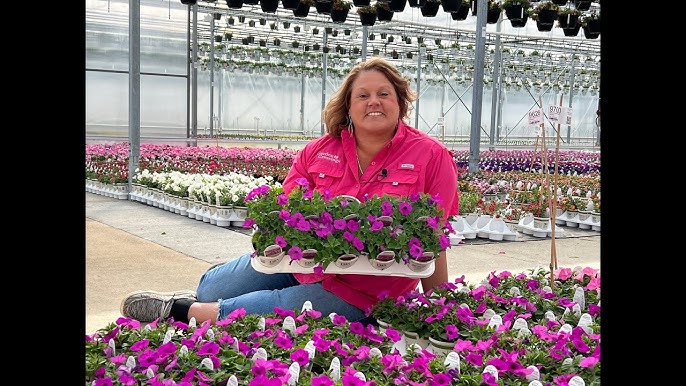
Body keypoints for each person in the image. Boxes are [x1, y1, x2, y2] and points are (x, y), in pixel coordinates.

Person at [121, 57, 459, 325]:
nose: (374, 102)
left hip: (364, 289)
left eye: (384, 94)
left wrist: (436, 309)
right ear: (349, 105)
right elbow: (286, 213)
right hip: (301, 264)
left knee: (275, 309)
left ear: (400, 102)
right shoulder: (318, 151)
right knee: (211, 286)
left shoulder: (431, 156)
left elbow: (434, 238)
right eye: (363, 95)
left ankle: (183, 311)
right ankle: (215, 299)